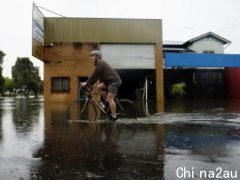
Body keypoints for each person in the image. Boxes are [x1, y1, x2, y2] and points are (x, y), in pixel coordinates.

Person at [81, 50, 122, 121]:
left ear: (97, 56)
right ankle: (107, 100)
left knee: (111, 99)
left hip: (113, 81)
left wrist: (87, 83)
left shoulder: (100, 63)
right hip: (108, 81)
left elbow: (95, 74)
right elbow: (95, 77)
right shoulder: (98, 64)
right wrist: (89, 84)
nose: (91, 58)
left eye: (93, 56)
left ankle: (114, 116)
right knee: (98, 87)